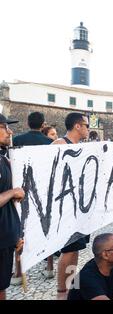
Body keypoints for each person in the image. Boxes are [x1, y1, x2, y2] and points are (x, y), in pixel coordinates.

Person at [12, 112, 55, 280]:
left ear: (28, 123)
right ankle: (50, 267)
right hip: (43, 189)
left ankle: (18, 272)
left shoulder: (17, 140)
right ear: (43, 124)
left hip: (21, 189)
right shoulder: (50, 143)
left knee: (20, 229)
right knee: (47, 227)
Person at [52, 112, 90, 299]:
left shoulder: (81, 147)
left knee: (75, 249)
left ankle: (71, 286)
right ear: (77, 126)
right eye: (86, 125)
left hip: (79, 206)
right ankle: (61, 291)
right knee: (67, 250)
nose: (88, 129)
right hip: (64, 207)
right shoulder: (59, 144)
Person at [0, 114, 25, 300]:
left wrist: (15, 234)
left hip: (6, 239)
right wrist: (12, 192)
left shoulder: (4, 159)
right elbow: (10, 195)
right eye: (4, 127)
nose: (10, 131)